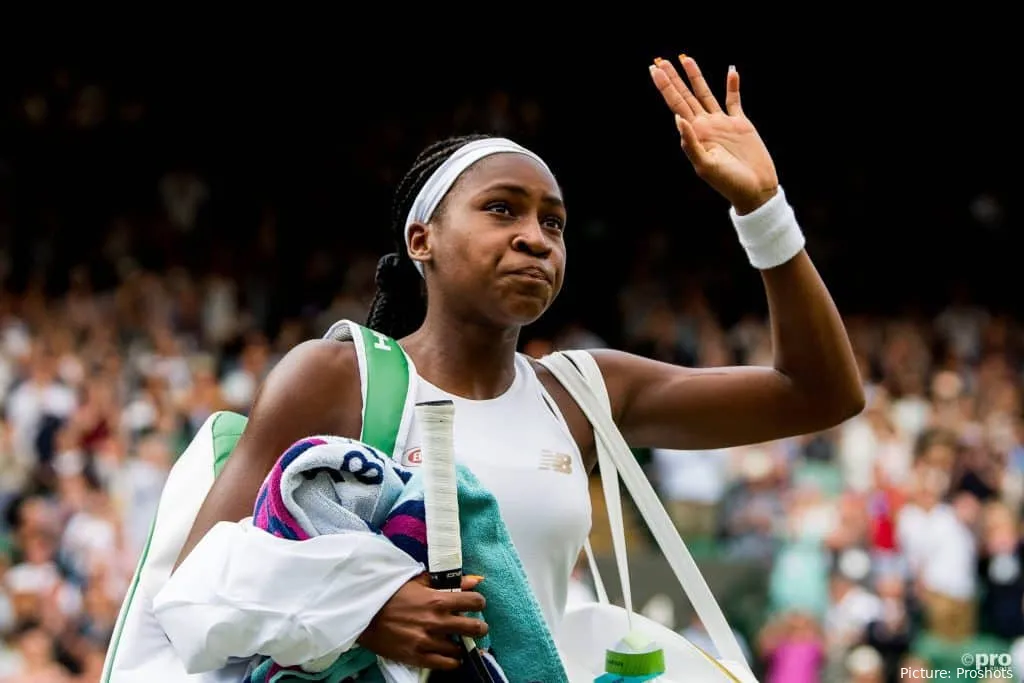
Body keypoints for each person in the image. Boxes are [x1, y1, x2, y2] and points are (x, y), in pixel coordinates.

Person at [173, 54, 865, 672]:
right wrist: (366, 610)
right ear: (423, 239)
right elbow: (194, 586)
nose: (535, 238)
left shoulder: (587, 393)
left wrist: (761, 206)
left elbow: (819, 393)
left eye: (554, 223)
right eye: (502, 209)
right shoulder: (339, 376)